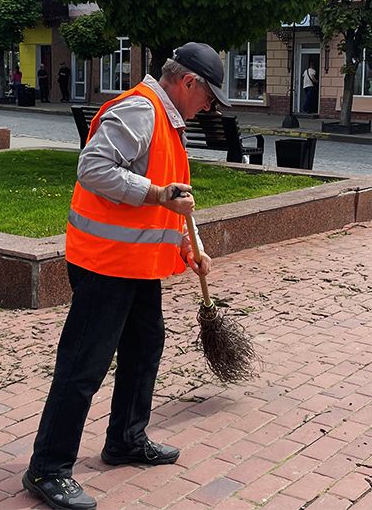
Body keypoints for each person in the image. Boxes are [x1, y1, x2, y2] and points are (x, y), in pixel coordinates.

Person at [22, 42, 227, 510]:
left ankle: (126, 439)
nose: (210, 108)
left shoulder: (167, 119)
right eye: (210, 97)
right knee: (83, 366)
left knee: (144, 346)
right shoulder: (140, 109)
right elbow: (93, 168)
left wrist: (188, 245)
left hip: (135, 266)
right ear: (188, 82)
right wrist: (157, 194)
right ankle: (47, 468)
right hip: (104, 265)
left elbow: (169, 198)